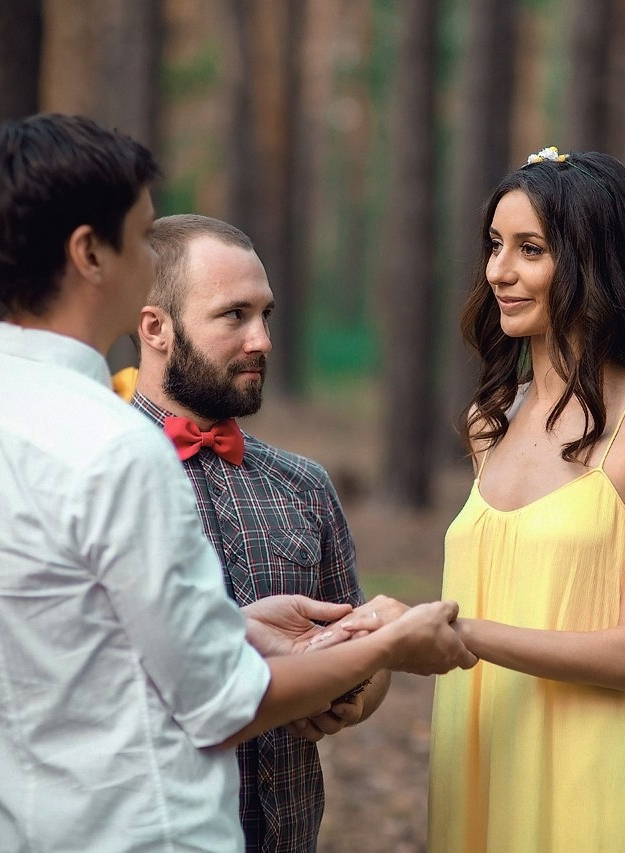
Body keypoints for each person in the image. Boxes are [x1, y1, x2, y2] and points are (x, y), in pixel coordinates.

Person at [0, 113, 476, 852]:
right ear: (89, 254)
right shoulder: (116, 446)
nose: (150, 257)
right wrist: (388, 645)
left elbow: (65, 629)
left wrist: (237, 624)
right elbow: (224, 705)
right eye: (141, 236)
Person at [423, 147, 625, 851]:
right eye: (495, 246)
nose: (500, 271)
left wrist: (453, 633)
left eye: (530, 249)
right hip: (484, 759)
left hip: (593, 779)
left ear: (597, 264)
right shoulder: (489, 420)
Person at [128, 213, 387, 852]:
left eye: (265, 315)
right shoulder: (105, 476)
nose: (262, 339)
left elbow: (360, 645)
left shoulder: (303, 486)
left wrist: (353, 693)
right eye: (234, 316)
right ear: (156, 327)